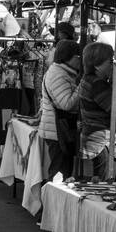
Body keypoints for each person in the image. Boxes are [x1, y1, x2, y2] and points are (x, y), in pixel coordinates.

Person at [39, 39, 82, 179]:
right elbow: (66, 104)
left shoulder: (62, 72)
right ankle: (51, 200)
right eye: (78, 57)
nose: (80, 61)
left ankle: (53, 199)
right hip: (58, 131)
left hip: (57, 130)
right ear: (70, 57)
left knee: (62, 171)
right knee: (59, 173)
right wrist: (82, 87)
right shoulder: (58, 74)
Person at [75, 41, 115, 180]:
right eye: (110, 61)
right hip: (100, 139)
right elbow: (115, 109)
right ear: (97, 64)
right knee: (102, 182)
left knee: (98, 179)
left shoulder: (86, 79)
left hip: (92, 136)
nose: (114, 64)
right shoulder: (98, 84)